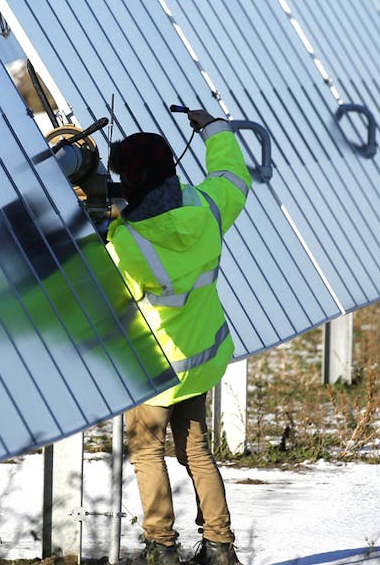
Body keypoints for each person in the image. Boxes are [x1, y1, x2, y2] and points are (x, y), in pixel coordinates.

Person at [105, 108, 251, 565]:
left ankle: (161, 548)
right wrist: (213, 129)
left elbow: (110, 300)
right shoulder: (205, 209)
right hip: (203, 358)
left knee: (146, 452)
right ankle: (220, 547)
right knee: (196, 451)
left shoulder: (127, 243)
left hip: (157, 370)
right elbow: (231, 174)